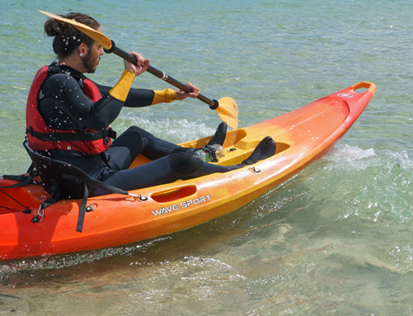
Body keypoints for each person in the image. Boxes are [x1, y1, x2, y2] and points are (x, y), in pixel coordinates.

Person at [25, 12, 276, 192]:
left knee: (137, 136)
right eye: (98, 46)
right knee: (181, 164)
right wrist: (129, 74)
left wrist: (172, 95)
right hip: (87, 181)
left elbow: (125, 97)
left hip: (89, 167)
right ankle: (242, 169)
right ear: (82, 49)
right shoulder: (61, 83)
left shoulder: (64, 77)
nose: (102, 53)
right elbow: (100, 118)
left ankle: (203, 154)